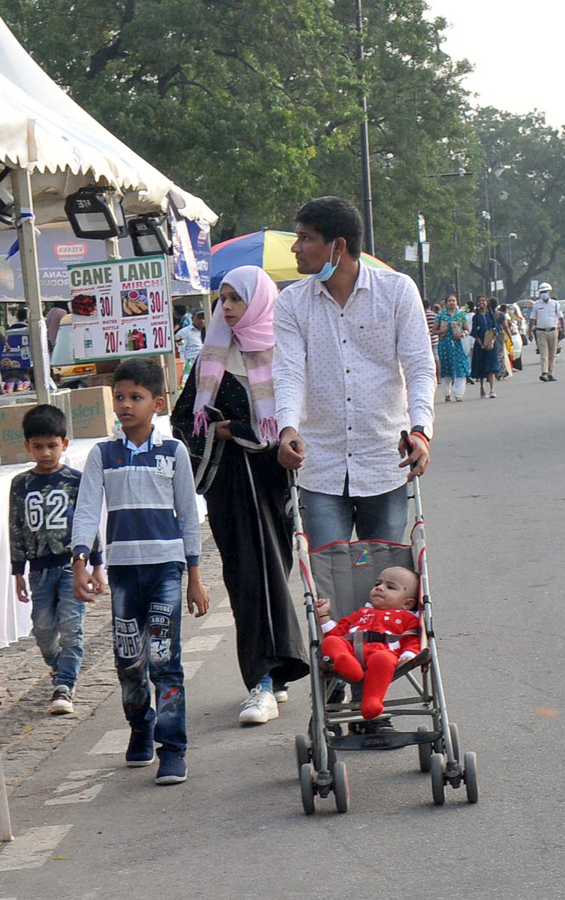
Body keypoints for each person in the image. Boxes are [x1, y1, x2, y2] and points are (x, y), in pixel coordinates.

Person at [170, 266, 307, 726]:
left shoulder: (283, 351)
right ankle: (262, 680)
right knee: (247, 577)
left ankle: (279, 673)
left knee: (274, 571)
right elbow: (183, 420)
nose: (225, 307)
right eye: (221, 298)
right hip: (229, 488)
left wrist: (235, 429)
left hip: (274, 485)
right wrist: (221, 431)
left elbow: (296, 417)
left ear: (259, 302)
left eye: (235, 299)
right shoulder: (213, 356)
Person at [72, 357, 210, 785]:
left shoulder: (173, 453)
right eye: (120, 397)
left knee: (165, 660)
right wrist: (81, 561)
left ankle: (174, 748)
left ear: (158, 403)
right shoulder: (102, 455)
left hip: (166, 569)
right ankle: (140, 727)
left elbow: (189, 514)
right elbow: (87, 509)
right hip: (124, 573)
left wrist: (195, 576)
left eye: (136, 397)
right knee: (129, 661)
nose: (126, 405)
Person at [273, 196, 435, 551]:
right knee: (328, 583)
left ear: (338, 246)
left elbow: (420, 367)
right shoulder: (290, 303)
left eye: (305, 238)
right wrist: (287, 429)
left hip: (385, 459)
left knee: (386, 579)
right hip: (320, 465)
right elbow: (288, 373)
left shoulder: (396, 291)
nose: (296, 248)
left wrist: (422, 430)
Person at [9, 404, 104, 716]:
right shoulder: (20, 484)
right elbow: (16, 526)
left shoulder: (75, 481)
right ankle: (57, 665)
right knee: (43, 628)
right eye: (38, 446)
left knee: (70, 625)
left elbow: (88, 522)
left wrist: (97, 564)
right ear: (27, 446)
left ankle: (65, 684)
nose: (46, 453)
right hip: (38, 570)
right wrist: (18, 571)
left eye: (52, 445)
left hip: (70, 566)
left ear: (64, 444)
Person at [316, 566, 421, 721]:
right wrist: (324, 616)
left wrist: (409, 654)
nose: (379, 588)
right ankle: (345, 662)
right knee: (331, 642)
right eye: (377, 584)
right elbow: (338, 633)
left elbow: (413, 639)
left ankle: (372, 700)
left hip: (384, 652)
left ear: (407, 604)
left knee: (384, 660)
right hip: (351, 650)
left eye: (390, 587)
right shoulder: (362, 613)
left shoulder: (407, 618)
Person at [435, 296, 470, 402]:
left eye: (453, 301)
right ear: (445, 304)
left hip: (458, 345)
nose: (451, 303)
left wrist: (463, 334)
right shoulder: (441, 316)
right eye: (449, 301)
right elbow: (433, 330)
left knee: (460, 367)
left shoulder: (461, 316)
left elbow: (467, 329)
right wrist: (442, 331)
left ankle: (459, 394)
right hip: (445, 345)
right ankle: (447, 393)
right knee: (446, 369)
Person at [532, 284, 565, 376]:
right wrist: (529, 332)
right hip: (541, 331)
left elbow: (561, 318)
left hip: (553, 331)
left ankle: (550, 372)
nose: (544, 294)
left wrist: (564, 331)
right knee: (544, 354)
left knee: (552, 353)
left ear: (550, 292)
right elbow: (532, 319)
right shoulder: (536, 304)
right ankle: (544, 372)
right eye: (542, 292)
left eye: (545, 292)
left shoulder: (555, 304)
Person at [469, 297, 501, 398]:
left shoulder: (491, 315)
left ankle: (492, 389)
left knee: (491, 367)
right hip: (480, 345)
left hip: (491, 344)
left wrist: (492, 342)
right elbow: (475, 332)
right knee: (481, 367)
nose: (481, 303)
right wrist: (482, 344)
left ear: (487, 303)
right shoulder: (476, 317)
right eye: (479, 301)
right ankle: (482, 388)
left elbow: (496, 330)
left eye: (483, 301)